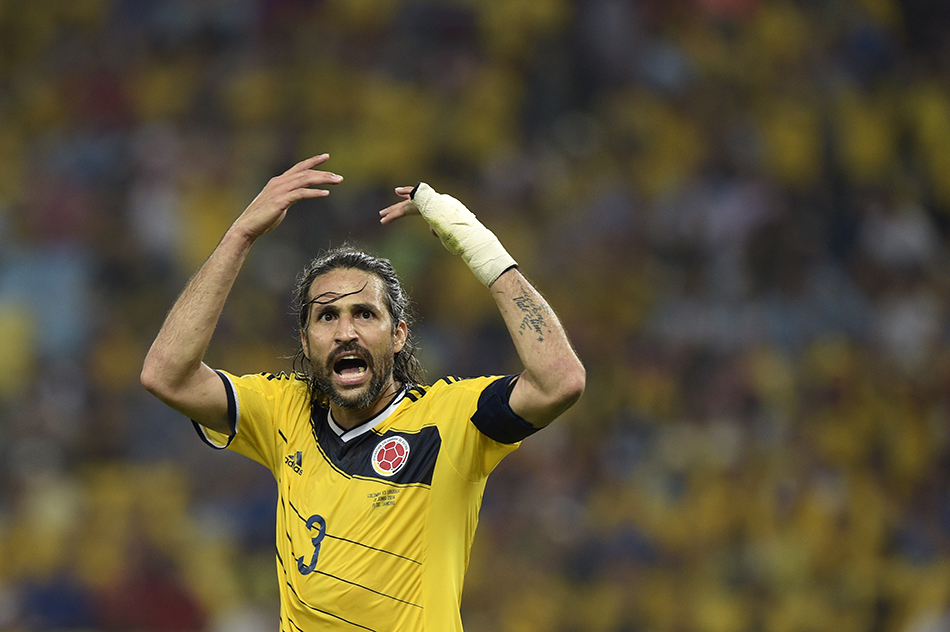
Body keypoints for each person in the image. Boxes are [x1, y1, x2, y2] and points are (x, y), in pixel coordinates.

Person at [140, 154, 586, 632]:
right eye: (326, 316)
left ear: (398, 335)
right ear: (307, 341)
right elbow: (167, 375)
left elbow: (559, 381)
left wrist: (484, 252)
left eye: (365, 314)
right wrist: (239, 237)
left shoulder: (448, 420)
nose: (345, 332)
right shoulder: (282, 411)